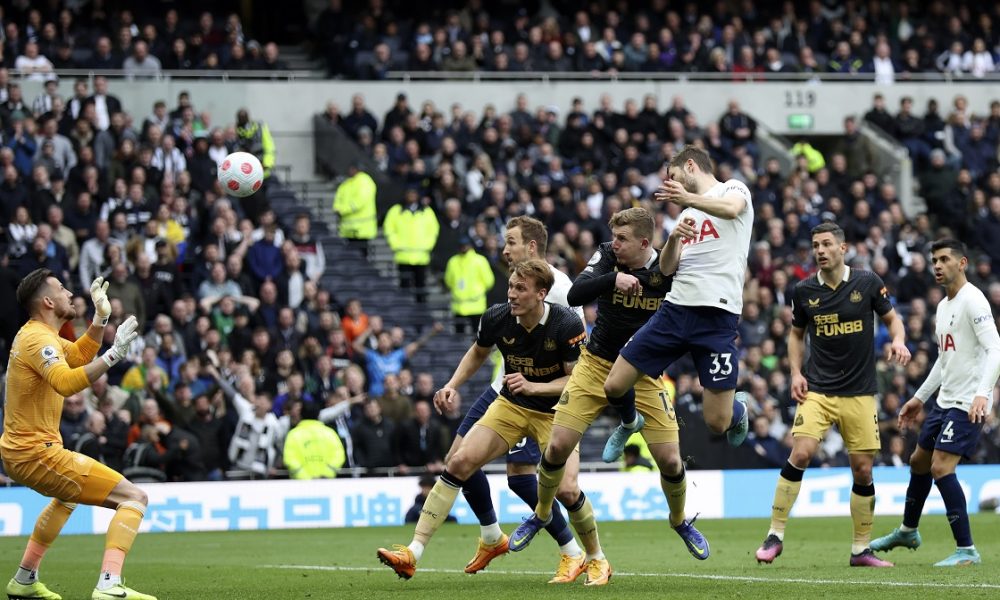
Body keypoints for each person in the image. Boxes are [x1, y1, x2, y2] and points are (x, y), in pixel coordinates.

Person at [377, 260, 602, 582]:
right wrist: (452, 385)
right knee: (459, 461)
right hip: (511, 405)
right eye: (510, 286)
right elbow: (478, 352)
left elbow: (578, 381)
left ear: (541, 294)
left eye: (520, 289)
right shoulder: (498, 317)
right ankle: (414, 551)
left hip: (557, 411)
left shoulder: (565, 323)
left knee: (566, 489)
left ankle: (593, 556)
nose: (511, 294)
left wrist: (534, 385)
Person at [509, 207, 709, 564]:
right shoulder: (606, 255)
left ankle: (679, 521)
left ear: (645, 242)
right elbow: (574, 296)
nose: (614, 243)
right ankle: (541, 513)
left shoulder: (667, 266)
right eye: (613, 236)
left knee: (671, 461)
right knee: (556, 448)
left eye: (622, 239)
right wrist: (611, 280)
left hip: (643, 373)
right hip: (595, 364)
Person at [435, 216, 592, 583]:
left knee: (522, 477)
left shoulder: (560, 290)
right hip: (504, 387)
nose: (504, 250)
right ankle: (491, 536)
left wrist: (544, 389)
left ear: (532, 247)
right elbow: (485, 345)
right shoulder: (515, 287)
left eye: (511, 243)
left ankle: (574, 551)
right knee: (456, 461)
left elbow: (576, 355)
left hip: (541, 399)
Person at [754, 222, 910, 568]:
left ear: (843, 248)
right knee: (802, 452)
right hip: (819, 389)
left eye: (826, 244)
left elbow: (893, 321)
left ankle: (860, 550)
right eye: (815, 245)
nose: (820, 250)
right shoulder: (804, 290)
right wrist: (796, 373)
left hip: (860, 392)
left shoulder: (868, 282)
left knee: (863, 470)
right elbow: (796, 335)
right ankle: (775, 534)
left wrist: (898, 340)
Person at [1, 270, 154, 600]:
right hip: (35, 452)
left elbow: (79, 357)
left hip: (23, 451)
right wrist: (114, 355)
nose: (70, 293)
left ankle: (24, 579)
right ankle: (109, 584)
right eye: (61, 289)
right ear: (47, 301)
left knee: (67, 497)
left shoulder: (41, 336)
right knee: (134, 498)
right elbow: (67, 383)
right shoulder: (37, 340)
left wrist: (100, 318)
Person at [601, 145, 751, 463]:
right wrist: (673, 239)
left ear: (691, 166)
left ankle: (739, 409)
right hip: (675, 311)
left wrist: (687, 199)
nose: (672, 185)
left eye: (673, 176)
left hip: (717, 318)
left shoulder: (733, 188)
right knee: (614, 385)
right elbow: (667, 269)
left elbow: (732, 209)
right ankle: (630, 422)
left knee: (717, 422)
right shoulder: (686, 214)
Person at [871, 239, 1000, 566]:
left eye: (944, 259)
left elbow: (995, 349)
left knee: (942, 467)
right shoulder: (943, 308)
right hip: (944, 402)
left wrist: (983, 393)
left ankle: (967, 550)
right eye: (934, 261)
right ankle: (908, 530)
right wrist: (918, 398)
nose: (938, 266)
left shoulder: (974, 301)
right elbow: (944, 362)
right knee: (918, 461)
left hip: (968, 401)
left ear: (963, 263)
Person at [282, 400, 346, 479]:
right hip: (326, 484)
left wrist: (304, 477)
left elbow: (290, 459)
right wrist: (327, 474)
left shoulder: (293, 435)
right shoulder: (330, 433)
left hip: (300, 486)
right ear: (318, 414)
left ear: (301, 414)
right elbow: (338, 456)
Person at [332, 162, 377, 257]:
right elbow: (338, 198)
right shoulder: (347, 183)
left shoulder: (365, 181)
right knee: (349, 256)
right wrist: (337, 208)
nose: (350, 171)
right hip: (347, 229)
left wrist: (343, 210)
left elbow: (360, 201)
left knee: (361, 256)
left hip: (361, 229)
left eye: (352, 169)